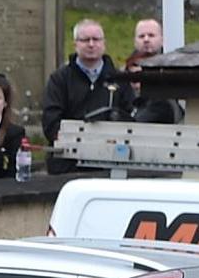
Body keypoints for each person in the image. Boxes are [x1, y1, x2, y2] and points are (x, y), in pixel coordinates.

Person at [40, 19, 134, 175]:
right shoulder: (59, 79)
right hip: (68, 164)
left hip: (109, 162)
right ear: (75, 44)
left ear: (104, 44)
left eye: (96, 39)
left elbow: (130, 118)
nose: (91, 44)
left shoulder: (119, 80)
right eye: (85, 40)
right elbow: (51, 122)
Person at [126, 18, 183, 125]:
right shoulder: (124, 73)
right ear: (134, 41)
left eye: (151, 35)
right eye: (141, 36)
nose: (146, 39)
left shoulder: (173, 72)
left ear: (162, 40)